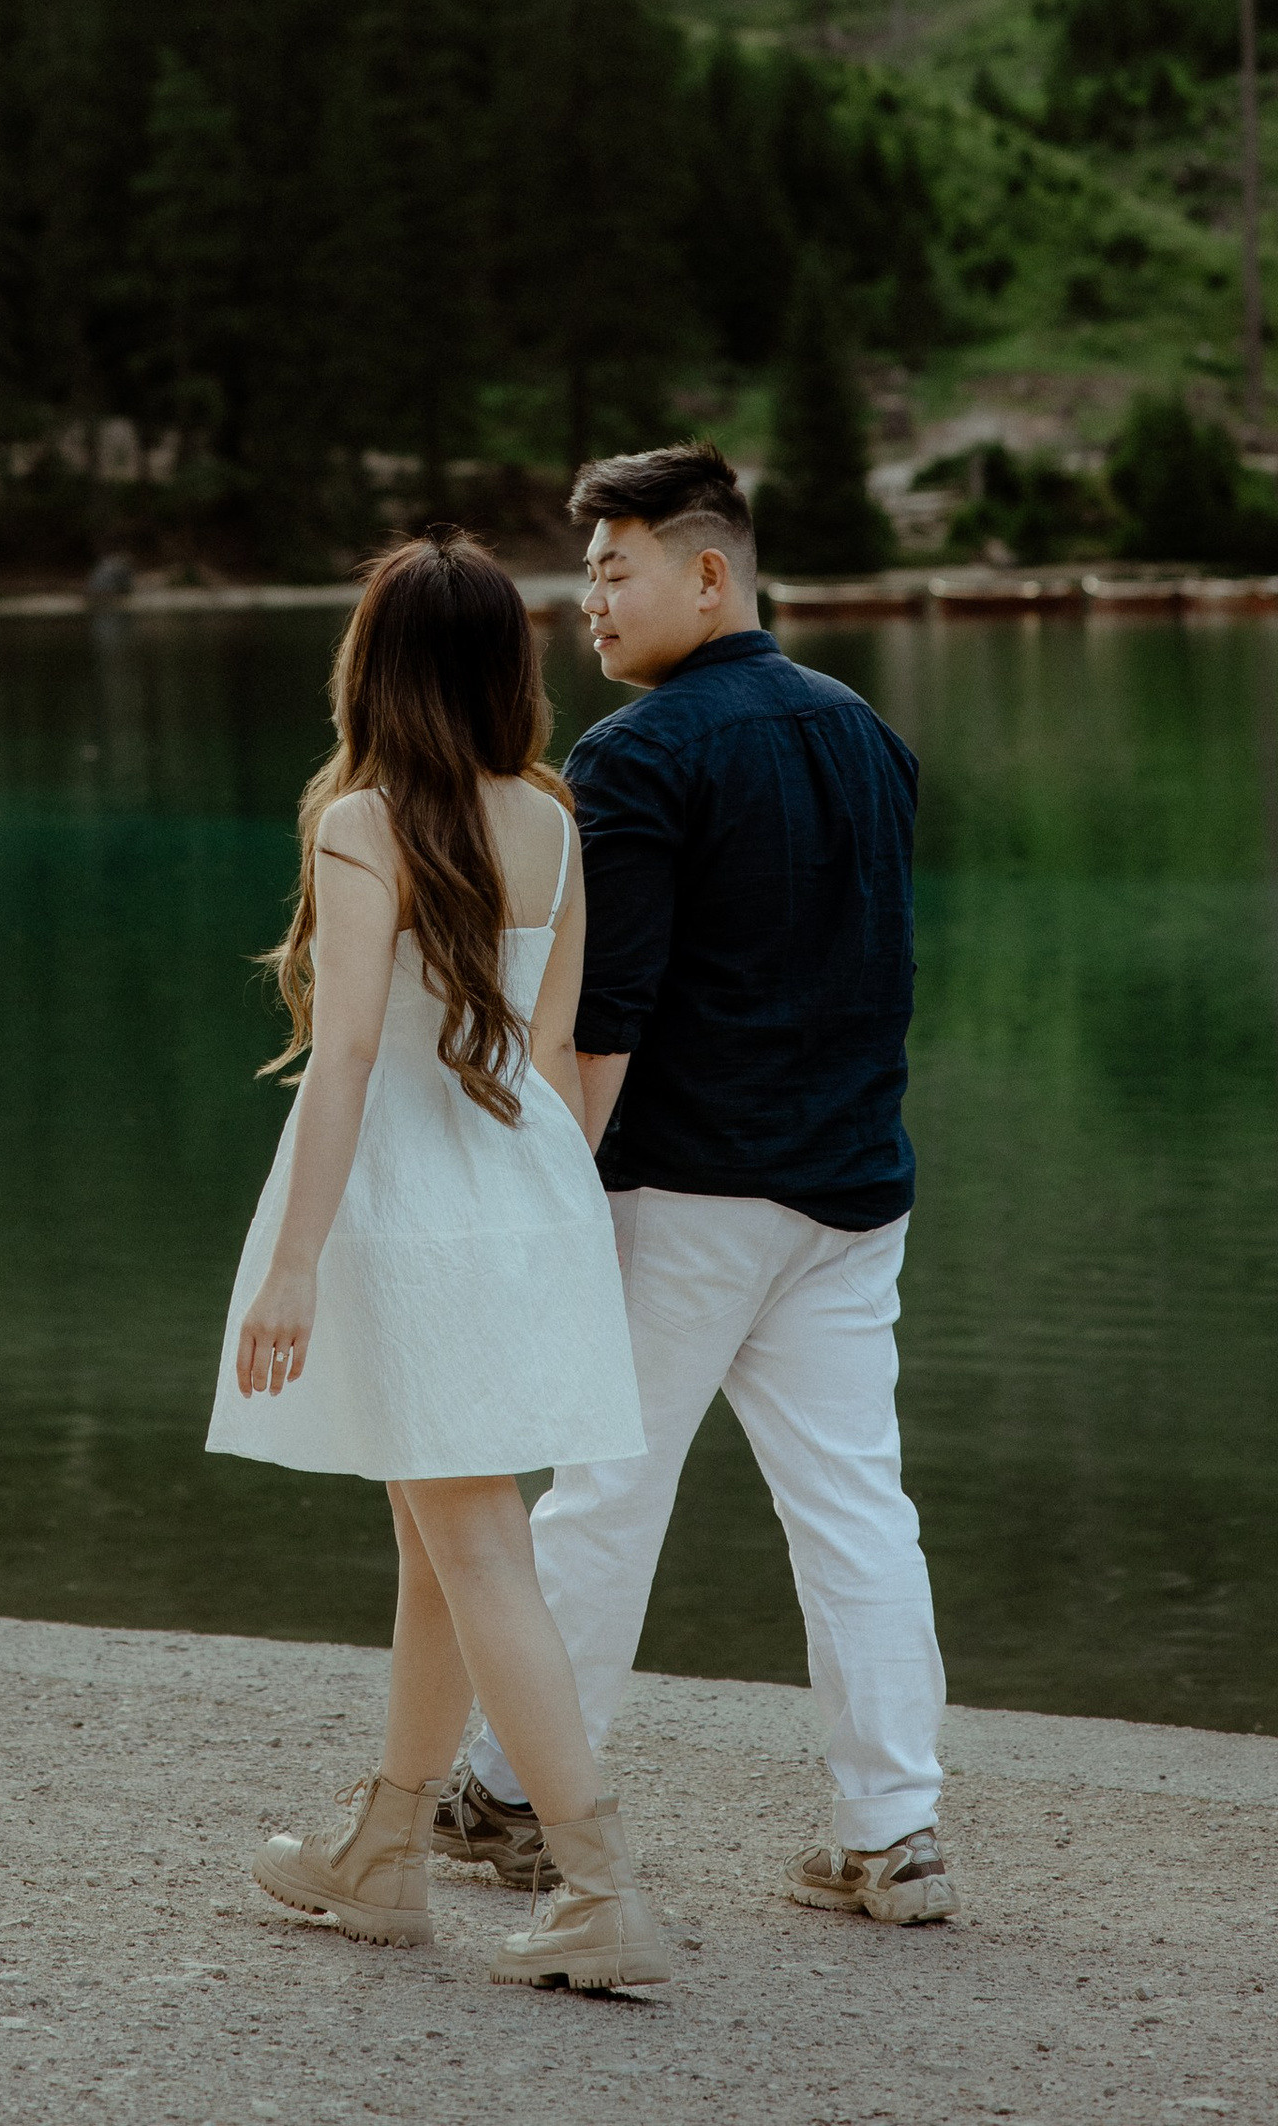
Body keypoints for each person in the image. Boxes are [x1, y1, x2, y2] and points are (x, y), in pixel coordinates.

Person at [441, 442, 956, 1927]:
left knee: (603, 1494)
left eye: (615, 569)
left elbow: (607, 1014)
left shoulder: (637, 756)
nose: (587, 604)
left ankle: (515, 1792)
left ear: (708, 569)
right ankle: (892, 1831)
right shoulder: (866, 732)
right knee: (856, 1503)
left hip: (684, 1188)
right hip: (854, 1189)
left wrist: (540, 1193)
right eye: (584, 573)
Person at [207, 530, 669, 1990]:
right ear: (501, 671)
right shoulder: (551, 816)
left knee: (474, 1542)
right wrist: (554, 1229)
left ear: (374, 665)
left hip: (406, 1199)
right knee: (438, 1539)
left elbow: (346, 1060)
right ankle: (386, 1849)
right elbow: (551, 1056)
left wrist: (292, 1265)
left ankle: (598, 1888)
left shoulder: (363, 821)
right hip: (529, 1184)